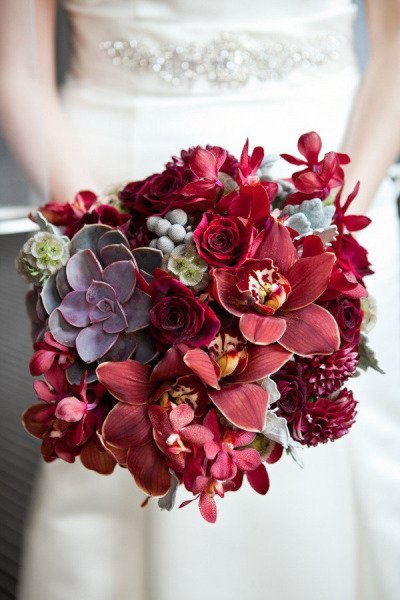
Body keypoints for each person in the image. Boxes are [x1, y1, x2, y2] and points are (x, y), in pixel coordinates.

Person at [0, 1, 399, 599]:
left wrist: (338, 226)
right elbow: (21, 70)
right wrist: (100, 241)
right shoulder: (107, 228)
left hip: (334, 179)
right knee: (126, 428)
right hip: (112, 172)